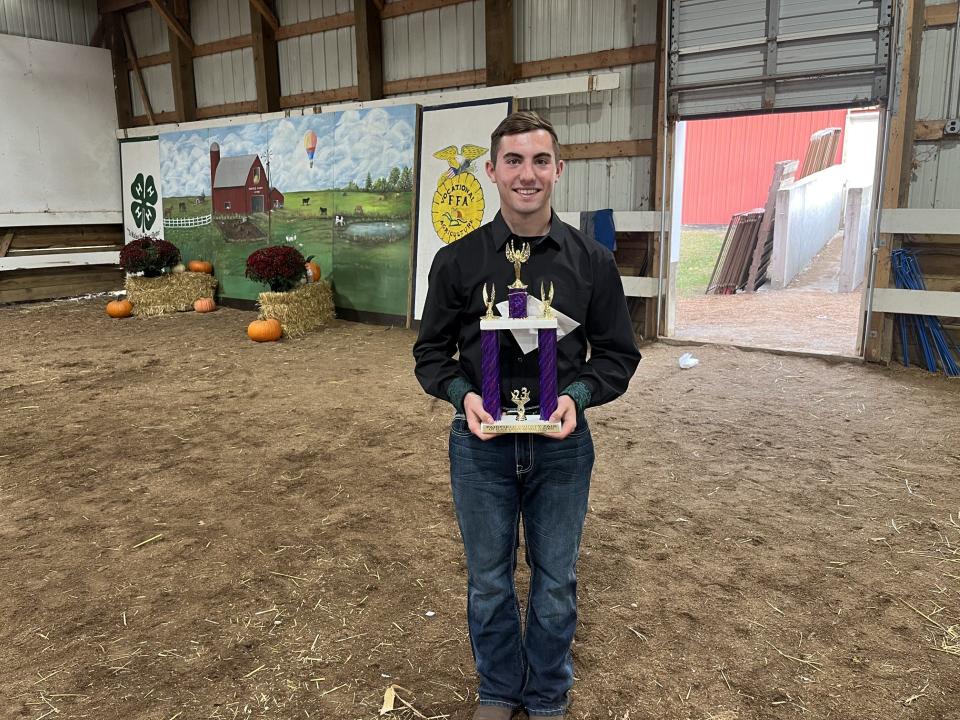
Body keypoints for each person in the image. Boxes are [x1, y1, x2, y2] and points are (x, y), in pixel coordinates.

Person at [413, 111, 640, 719]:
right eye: (513, 161)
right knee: (489, 579)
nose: (527, 174)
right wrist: (464, 395)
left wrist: (578, 398)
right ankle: (498, 688)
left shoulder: (591, 262)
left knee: (555, 581)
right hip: (480, 444)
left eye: (540, 161)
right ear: (491, 171)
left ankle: (546, 693)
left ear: (559, 170)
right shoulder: (457, 263)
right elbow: (430, 353)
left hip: (561, 446)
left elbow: (618, 354)